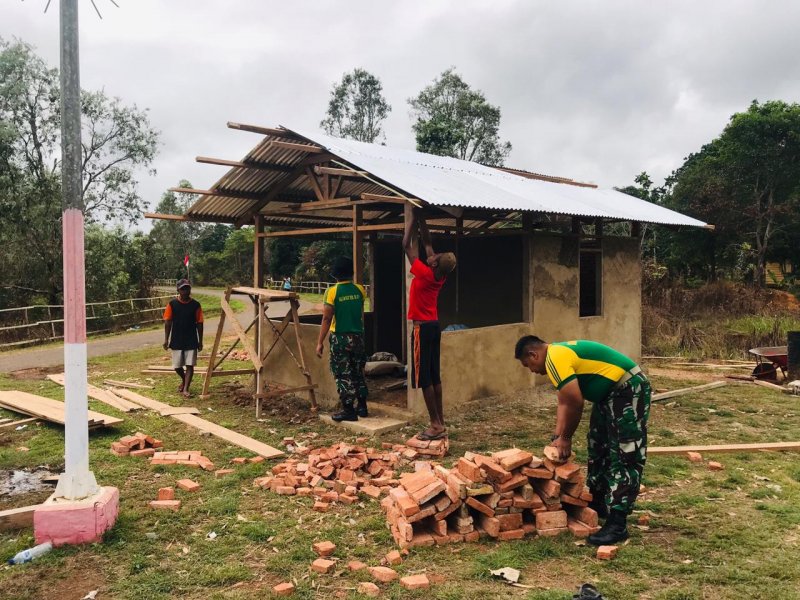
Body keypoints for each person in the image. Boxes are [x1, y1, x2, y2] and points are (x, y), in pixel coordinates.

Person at [514, 335, 651, 545]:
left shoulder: (554, 357)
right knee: (598, 446)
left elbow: (576, 402)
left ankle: (617, 523)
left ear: (534, 354)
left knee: (625, 454)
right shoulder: (554, 359)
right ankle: (597, 504)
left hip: (627, 388)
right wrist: (557, 438)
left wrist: (566, 438)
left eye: (527, 364)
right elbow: (563, 402)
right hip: (608, 395)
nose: (531, 370)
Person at [403, 204, 457, 441]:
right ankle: (440, 421)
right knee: (435, 376)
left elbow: (407, 245)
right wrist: (421, 218)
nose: (432, 253)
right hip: (434, 326)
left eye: (435, 256)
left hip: (422, 328)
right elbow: (426, 243)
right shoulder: (439, 275)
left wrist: (412, 220)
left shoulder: (424, 274)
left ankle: (435, 425)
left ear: (434, 263)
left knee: (424, 377)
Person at [315, 256, 368, 422]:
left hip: (340, 338)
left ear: (335, 275)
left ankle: (348, 410)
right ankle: (362, 406)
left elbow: (326, 318)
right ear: (350, 273)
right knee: (358, 371)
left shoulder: (332, 292)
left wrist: (319, 342)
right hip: (358, 337)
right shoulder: (360, 290)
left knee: (342, 373)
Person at [163, 279, 204, 397]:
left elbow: (200, 323)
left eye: (187, 288)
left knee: (190, 365)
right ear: (178, 290)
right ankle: (184, 379)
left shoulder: (196, 305)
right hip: (177, 338)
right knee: (177, 366)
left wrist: (200, 341)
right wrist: (166, 339)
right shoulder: (172, 304)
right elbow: (168, 322)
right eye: (183, 289)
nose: (186, 291)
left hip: (191, 339)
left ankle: (186, 388)